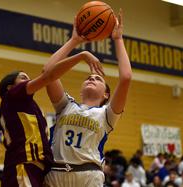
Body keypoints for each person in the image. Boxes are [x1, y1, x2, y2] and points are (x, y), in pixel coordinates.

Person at [0, 29, 104, 186]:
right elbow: (48, 74)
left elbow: (48, 73)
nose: (28, 80)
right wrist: (80, 53)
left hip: (39, 170)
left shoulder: (30, 107)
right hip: (23, 167)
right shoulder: (12, 97)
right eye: (23, 78)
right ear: (10, 87)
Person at [44, 10, 132, 187]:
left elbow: (126, 77)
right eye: (88, 78)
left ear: (106, 94)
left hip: (88, 175)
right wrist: (75, 42)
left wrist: (118, 39)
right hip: (56, 173)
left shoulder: (107, 114)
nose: (92, 78)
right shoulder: (66, 105)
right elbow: (48, 73)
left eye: (98, 78)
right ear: (82, 89)